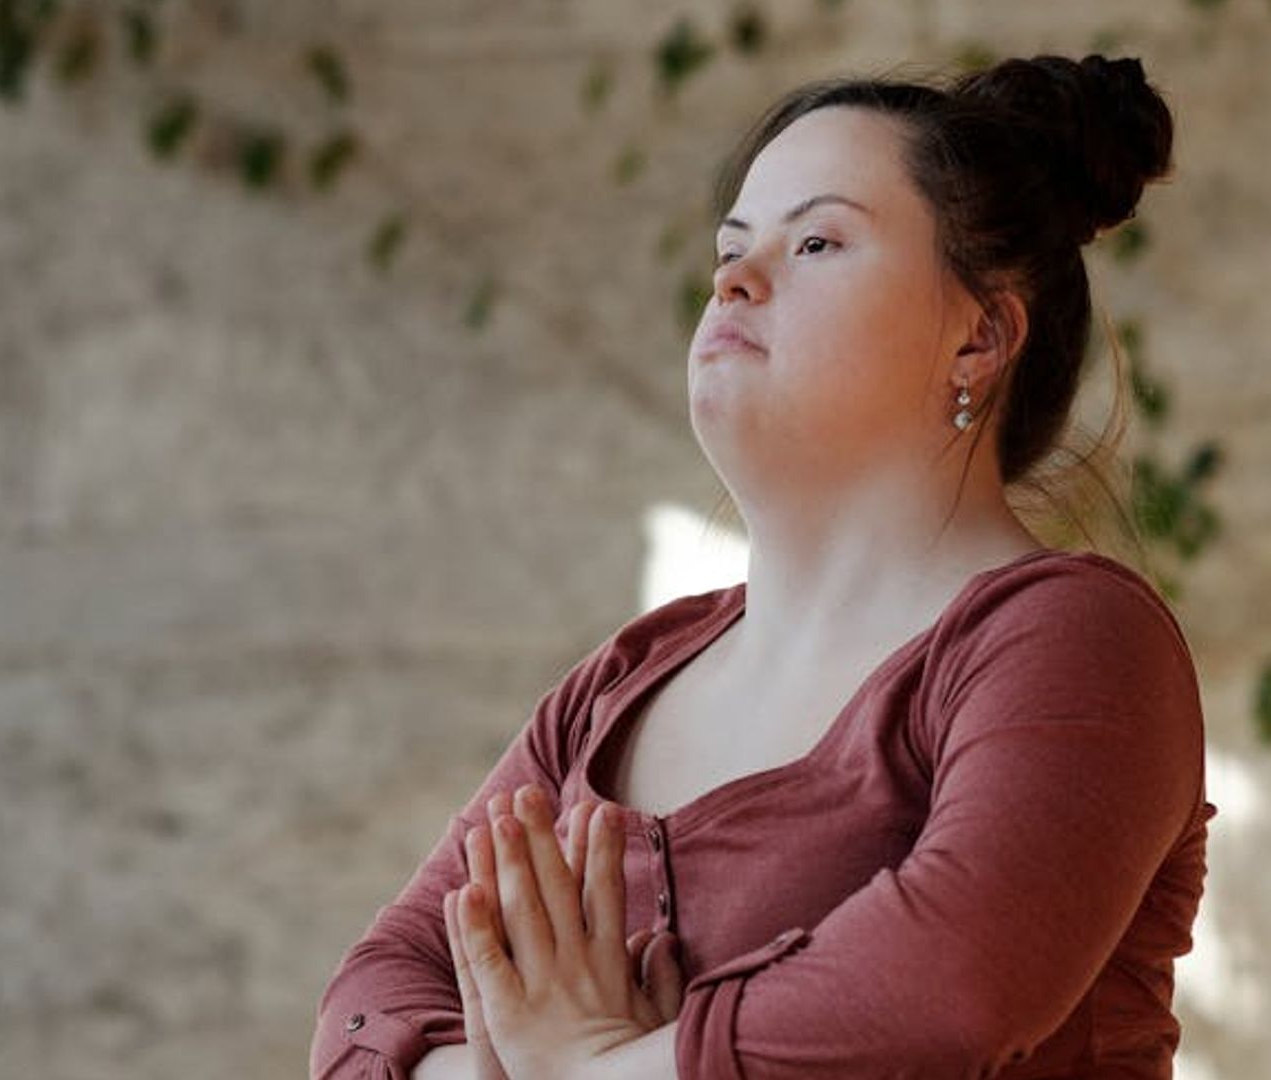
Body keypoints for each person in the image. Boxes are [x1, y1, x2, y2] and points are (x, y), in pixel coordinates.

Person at [311, 52, 1215, 1079]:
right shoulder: (623, 681)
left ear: (979, 337)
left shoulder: (1069, 638)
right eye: (730, 250)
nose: (735, 278)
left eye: (818, 241)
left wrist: (588, 1069)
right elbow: (373, 998)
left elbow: (942, 990)